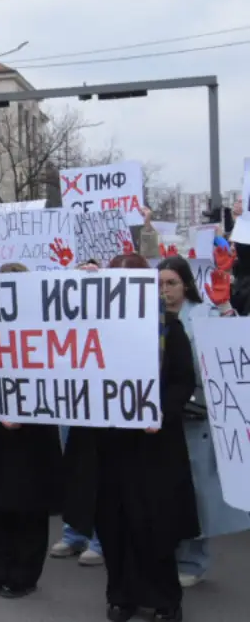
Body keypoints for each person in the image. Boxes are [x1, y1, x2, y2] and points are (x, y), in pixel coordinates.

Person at [63, 253, 198, 622]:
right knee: (113, 522)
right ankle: (121, 594)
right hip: (104, 445)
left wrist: (160, 413)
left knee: (152, 524)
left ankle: (165, 599)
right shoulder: (87, 327)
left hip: (152, 444)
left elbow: (183, 380)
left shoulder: (168, 327)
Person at [0, 261, 62, 600]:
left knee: (27, 508)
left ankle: (25, 574)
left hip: (30, 437)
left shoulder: (47, 330)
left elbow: (60, 380)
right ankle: (2, 569)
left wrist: (26, 416)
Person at [158, 254, 250, 588]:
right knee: (165, 492)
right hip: (163, 419)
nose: (165, 290)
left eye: (172, 283)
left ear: (185, 285)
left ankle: (193, 560)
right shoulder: (145, 318)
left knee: (196, 492)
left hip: (198, 418)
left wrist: (226, 308)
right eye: (160, 284)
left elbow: (232, 347)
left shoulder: (204, 314)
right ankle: (167, 553)